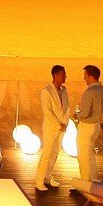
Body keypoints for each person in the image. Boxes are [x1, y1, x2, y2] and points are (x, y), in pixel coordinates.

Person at [74, 65, 103, 189]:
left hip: (86, 126)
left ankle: (85, 184)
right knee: (90, 154)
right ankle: (94, 180)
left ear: (90, 76)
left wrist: (77, 115)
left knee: (83, 156)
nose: (84, 78)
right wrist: (98, 110)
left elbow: (84, 113)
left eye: (85, 75)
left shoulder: (89, 92)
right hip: (97, 126)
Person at [35, 65, 70, 193]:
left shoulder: (64, 90)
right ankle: (39, 180)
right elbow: (48, 112)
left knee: (55, 152)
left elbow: (67, 107)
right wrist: (59, 124)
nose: (65, 76)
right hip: (51, 127)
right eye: (63, 74)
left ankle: (48, 176)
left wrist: (65, 122)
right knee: (47, 153)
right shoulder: (46, 91)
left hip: (61, 127)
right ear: (56, 75)